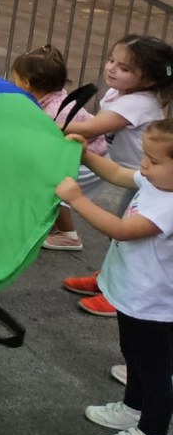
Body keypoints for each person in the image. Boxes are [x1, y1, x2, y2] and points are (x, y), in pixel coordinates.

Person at [56, 118, 173, 435]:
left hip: (153, 304)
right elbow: (119, 174)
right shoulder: (158, 183)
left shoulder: (169, 206)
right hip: (133, 293)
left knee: (155, 370)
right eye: (145, 157)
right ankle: (132, 407)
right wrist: (87, 156)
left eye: (153, 160)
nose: (144, 166)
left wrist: (77, 199)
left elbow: (122, 229)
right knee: (132, 353)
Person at [47, 36, 173, 292]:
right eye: (111, 60)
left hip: (149, 179)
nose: (111, 68)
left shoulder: (138, 103)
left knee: (127, 235)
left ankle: (118, 291)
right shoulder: (122, 92)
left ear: (148, 80)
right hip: (136, 173)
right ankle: (108, 278)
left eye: (124, 68)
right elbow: (112, 166)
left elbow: (92, 127)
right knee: (122, 236)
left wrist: (44, 124)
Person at [9, 45, 107, 158]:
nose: (13, 83)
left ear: (27, 83)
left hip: (92, 159)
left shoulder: (55, 112)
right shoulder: (51, 99)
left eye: (15, 79)